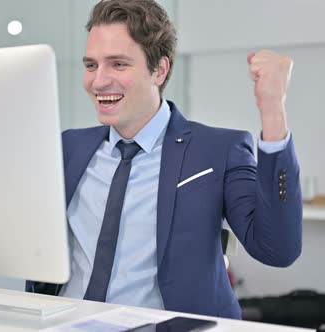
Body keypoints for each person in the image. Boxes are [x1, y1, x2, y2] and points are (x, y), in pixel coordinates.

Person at [26, 0, 302, 319]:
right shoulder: (69, 147)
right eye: (91, 65)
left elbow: (277, 248)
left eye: (118, 64)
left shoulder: (217, 149)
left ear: (160, 69)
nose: (98, 81)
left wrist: (272, 110)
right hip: (64, 322)